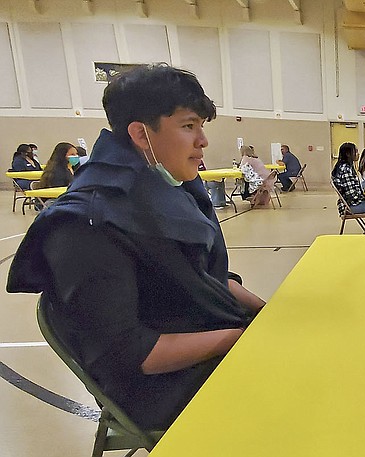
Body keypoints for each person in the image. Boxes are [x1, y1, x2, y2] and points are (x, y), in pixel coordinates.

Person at [6, 64, 265, 430]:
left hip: (199, 332)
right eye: (189, 126)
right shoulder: (87, 222)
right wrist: (241, 337)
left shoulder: (168, 188)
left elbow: (206, 276)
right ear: (141, 135)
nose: (202, 140)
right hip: (160, 387)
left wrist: (266, 311)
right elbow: (128, 354)